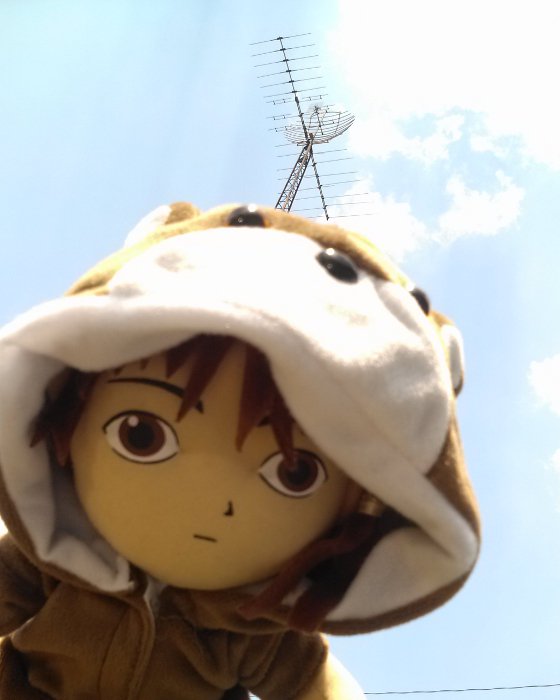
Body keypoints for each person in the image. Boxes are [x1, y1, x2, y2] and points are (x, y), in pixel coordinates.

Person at [0, 203, 480, 699]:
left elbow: (314, 685)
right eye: (142, 434)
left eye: (294, 472)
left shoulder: (256, 629)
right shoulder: (49, 564)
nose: (208, 496)